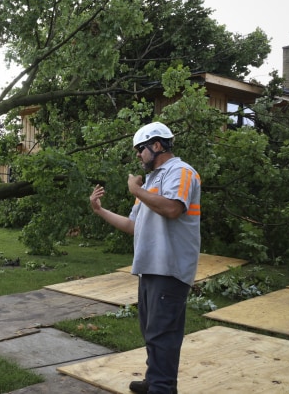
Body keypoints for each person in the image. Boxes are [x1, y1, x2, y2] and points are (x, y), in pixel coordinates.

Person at [89, 122, 200, 394]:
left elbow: (173, 208)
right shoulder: (150, 181)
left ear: (157, 145)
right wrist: (99, 210)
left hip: (170, 268)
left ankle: (161, 388)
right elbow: (133, 226)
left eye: (140, 149)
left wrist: (136, 190)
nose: (138, 155)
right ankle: (154, 381)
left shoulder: (181, 172)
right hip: (150, 267)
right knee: (151, 331)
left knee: (163, 335)